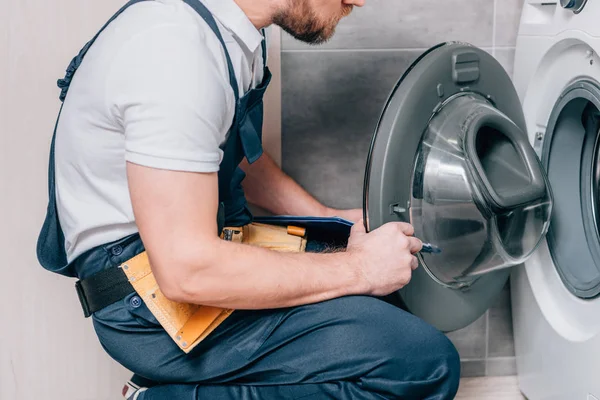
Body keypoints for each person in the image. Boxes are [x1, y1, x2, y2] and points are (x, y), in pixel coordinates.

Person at [36, 0, 461, 398]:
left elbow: (227, 159)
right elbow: (187, 272)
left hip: (192, 251)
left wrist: (331, 222)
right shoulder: (174, 51)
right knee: (423, 365)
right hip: (146, 300)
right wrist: (360, 268)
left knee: (392, 288)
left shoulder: (233, 31)